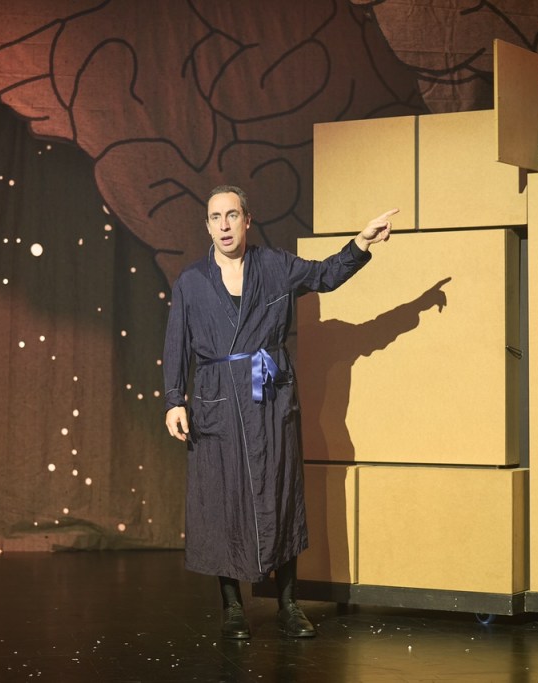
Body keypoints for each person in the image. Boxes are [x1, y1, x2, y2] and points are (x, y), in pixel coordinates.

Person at [163, 184, 395, 640]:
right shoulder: (191, 281)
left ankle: (289, 603)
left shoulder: (274, 265)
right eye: (216, 217)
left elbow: (325, 275)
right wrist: (174, 399)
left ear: (247, 220)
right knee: (222, 498)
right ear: (207, 226)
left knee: (281, 493)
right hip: (217, 401)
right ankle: (232, 607)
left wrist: (362, 242)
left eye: (232, 215)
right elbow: (176, 343)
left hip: (268, 396)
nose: (225, 225)